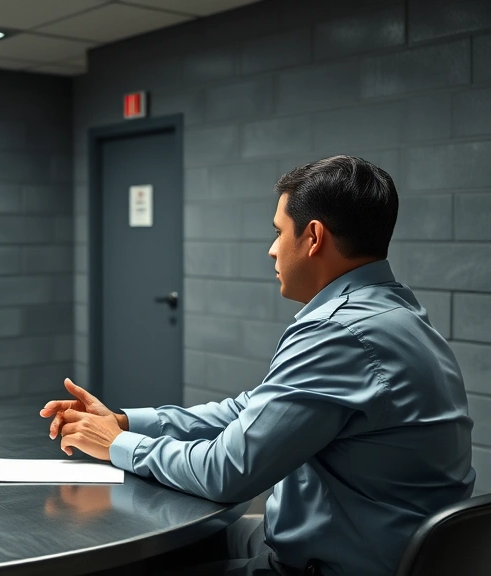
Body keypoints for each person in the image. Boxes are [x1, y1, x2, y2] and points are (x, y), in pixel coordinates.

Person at [40, 156, 475, 576]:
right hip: (350, 545)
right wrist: (126, 421)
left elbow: (227, 472)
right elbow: (249, 409)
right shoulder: (394, 313)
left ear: (314, 237)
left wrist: (118, 444)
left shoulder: (338, 333)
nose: (271, 250)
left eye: (278, 232)